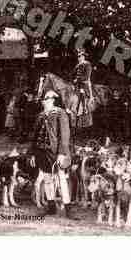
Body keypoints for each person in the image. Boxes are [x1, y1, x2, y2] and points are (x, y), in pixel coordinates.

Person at [31, 90, 78, 220]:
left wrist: (62, 153)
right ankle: (51, 207)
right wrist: (33, 154)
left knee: (61, 179)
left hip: (56, 153)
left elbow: (64, 135)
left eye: (45, 99)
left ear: (52, 100)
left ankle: (68, 209)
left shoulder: (60, 113)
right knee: (47, 179)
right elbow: (34, 137)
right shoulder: (40, 116)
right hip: (42, 152)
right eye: (43, 99)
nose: (43, 101)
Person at [73, 48, 93, 115]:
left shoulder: (87, 64)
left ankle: (85, 108)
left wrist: (77, 79)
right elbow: (73, 74)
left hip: (85, 82)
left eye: (80, 56)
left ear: (83, 56)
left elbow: (87, 76)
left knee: (82, 91)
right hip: (77, 83)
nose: (78, 58)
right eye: (78, 57)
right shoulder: (77, 65)